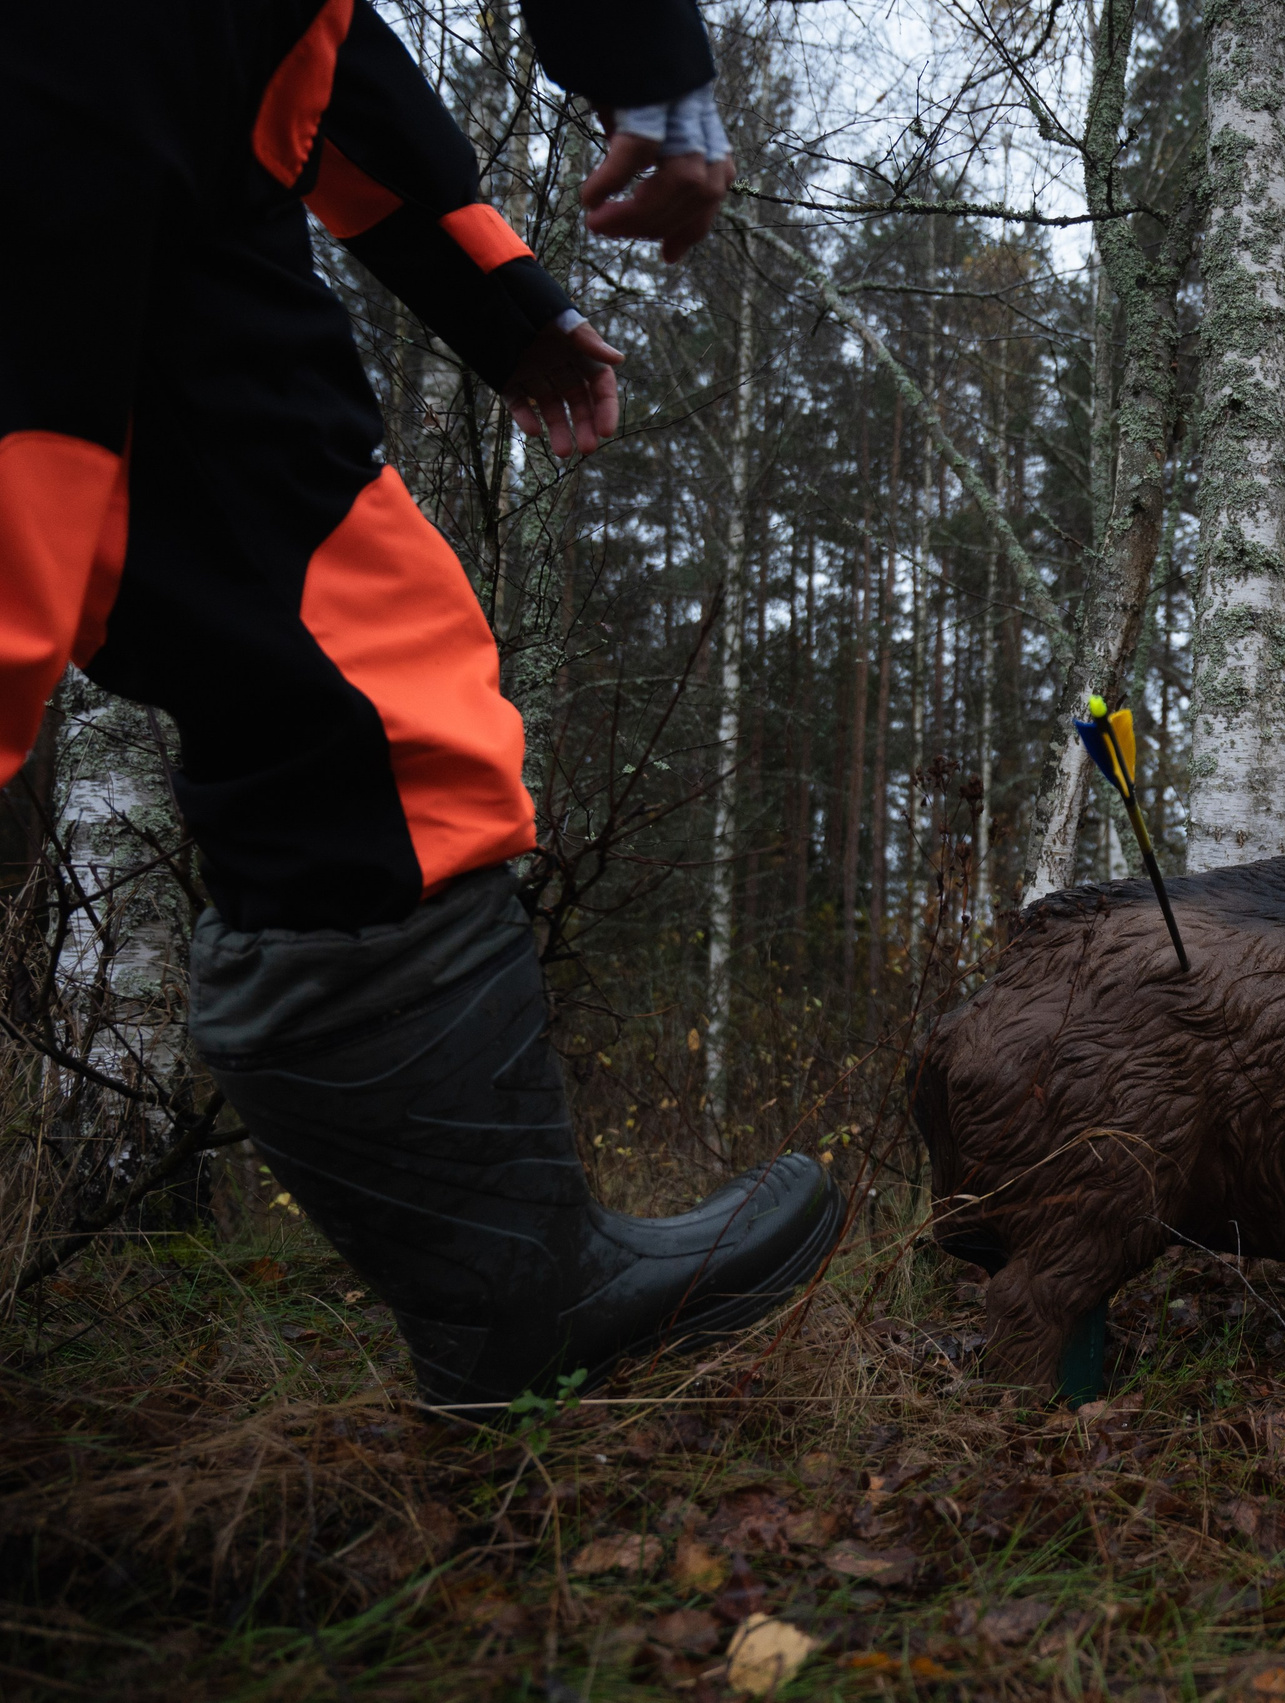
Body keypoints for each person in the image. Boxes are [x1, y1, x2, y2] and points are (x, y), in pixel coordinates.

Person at [0, 1, 841, 1411]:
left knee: (360, 690)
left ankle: (522, 1303)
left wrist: (499, 300)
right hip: (72, 110)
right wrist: (654, 64)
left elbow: (300, 49)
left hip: (166, 140)